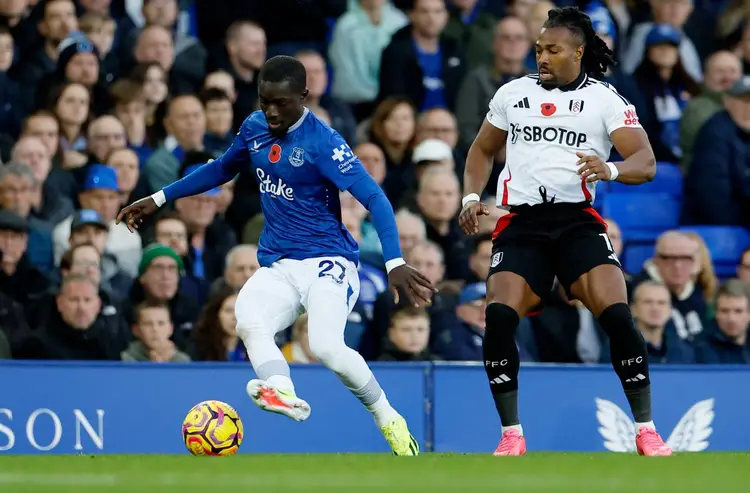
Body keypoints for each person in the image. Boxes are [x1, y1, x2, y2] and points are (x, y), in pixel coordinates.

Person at [116, 55, 434, 456]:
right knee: (247, 319)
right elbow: (220, 170)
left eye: (281, 103)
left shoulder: (324, 142)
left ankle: (387, 416)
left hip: (328, 262)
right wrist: (159, 197)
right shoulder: (254, 128)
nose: (270, 111)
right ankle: (281, 390)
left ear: (304, 96)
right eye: (264, 100)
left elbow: (375, 198)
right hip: (280, 264)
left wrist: (394, 262)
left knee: (326, 346)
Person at [458, 7, 671, 457]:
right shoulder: (512, 93)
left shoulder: (605, 100)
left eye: (552, 50)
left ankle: (646, 430)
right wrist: (470, 197)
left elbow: (646, 162)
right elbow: (481, 149)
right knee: (497, 317)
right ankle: (511, 434)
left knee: (617, 315)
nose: (542, 57)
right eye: (538, 50)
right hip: (523, 223)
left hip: (576, 221)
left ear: (578, 52)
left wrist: (610, 168)